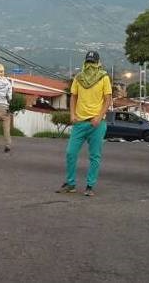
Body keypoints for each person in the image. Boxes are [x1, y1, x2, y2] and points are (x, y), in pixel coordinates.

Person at [56, 51, 112, 197]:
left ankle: (90, 186)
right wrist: (72, 114)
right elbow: (73, 97)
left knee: (94, 156)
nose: (90, 65)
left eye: (93, 62)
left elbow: (107, 99)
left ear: (98, 63)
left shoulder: (104, 77)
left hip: (96, 124)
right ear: (84, 62)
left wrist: (99, 117)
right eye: (88, 62)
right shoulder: (79, 78)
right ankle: (71, 183)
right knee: (70, 152)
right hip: (80, 122)